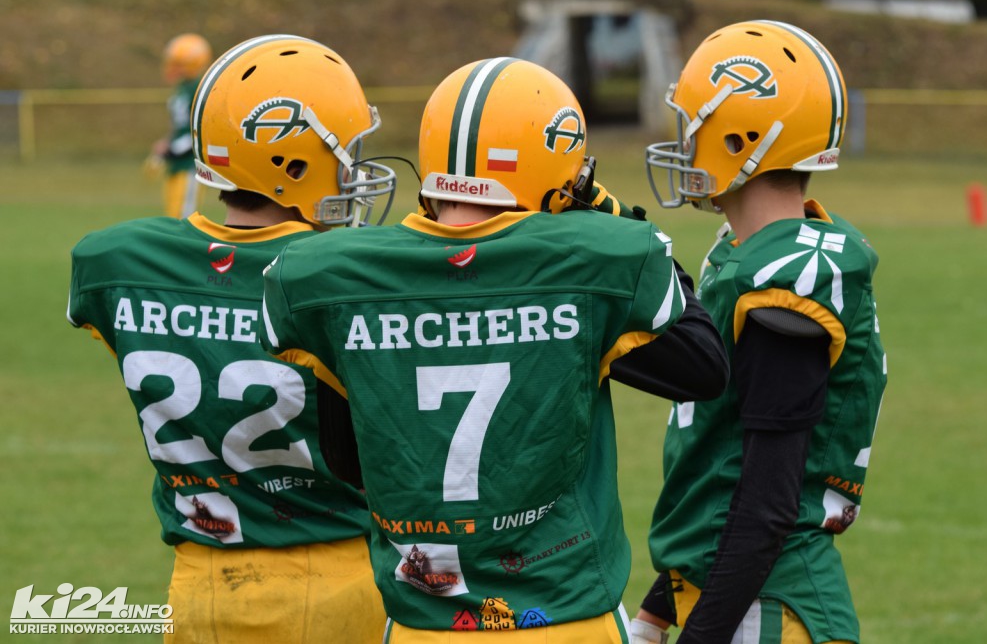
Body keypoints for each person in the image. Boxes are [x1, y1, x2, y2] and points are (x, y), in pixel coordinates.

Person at [259, 57, 728, 642]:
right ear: (559, 170)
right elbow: (705, 369)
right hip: (566, 618)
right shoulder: (595, 263)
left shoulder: (330, 276)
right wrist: (608, 218)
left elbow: (352, 462)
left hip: (424, 623)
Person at [67, 34, 397, 643]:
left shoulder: (119, 261)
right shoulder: (343, 277)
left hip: (198, 589)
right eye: (347, 151)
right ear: (293, 162)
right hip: (338, 580)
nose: (354, 169)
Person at [630, 20, 888, 644]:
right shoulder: (755, 254)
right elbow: (723, 465)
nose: (685, 143)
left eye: (696, 127)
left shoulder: (784, 280)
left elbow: (769, 501)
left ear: (741, 136)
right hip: (738, 590)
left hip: (764, 603)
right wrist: (657, 608)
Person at [147, 33, 211, 218]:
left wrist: (172, 149)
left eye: (178, 64)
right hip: (176, 163)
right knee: (172, 215)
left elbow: (201, 129)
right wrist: (166, 143)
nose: (172, 68)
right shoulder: (182, 87)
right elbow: (179, 125)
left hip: (189, 163)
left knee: (184, 218)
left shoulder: (199, 88)